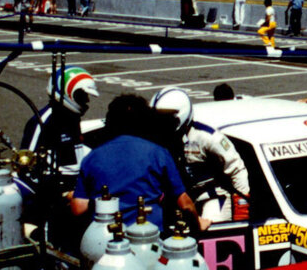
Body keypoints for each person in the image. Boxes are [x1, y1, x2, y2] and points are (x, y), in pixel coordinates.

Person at [70, 94, 207, 234]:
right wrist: (198, 223)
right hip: (148, 238)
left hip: (105, 238)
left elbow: (78, 208)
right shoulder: (158, 154)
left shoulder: (92, 157)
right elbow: (185, 204)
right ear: (145, 122)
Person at [149, 87, 250, 221]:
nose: (161, 124)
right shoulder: (156, 138)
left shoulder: (208, 137)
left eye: (166, 119)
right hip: (180, 196)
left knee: (212, 228)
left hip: (212, 195)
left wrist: (241, 205)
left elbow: (236, 168)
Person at [23, 66, 101, 171]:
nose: (87, 100)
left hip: (74, 181)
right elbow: (26, 163)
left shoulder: (71, 117)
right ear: (67, 92)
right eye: (82, 95)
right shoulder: (43, 121)